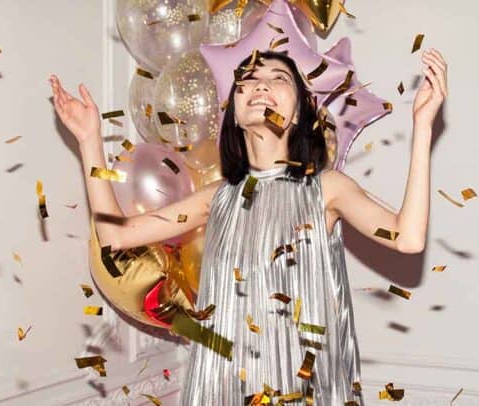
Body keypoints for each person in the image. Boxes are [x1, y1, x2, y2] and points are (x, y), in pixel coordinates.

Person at [49, 48, 447, 405]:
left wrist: (423, 127)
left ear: (298, 113)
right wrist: (89, 141)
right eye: (249, 79)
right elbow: (115, 235)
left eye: (279, 78)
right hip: (222, 391)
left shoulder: (327, 189)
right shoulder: (216, 198)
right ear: (236, 114)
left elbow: (408, 238)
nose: (261, 85)